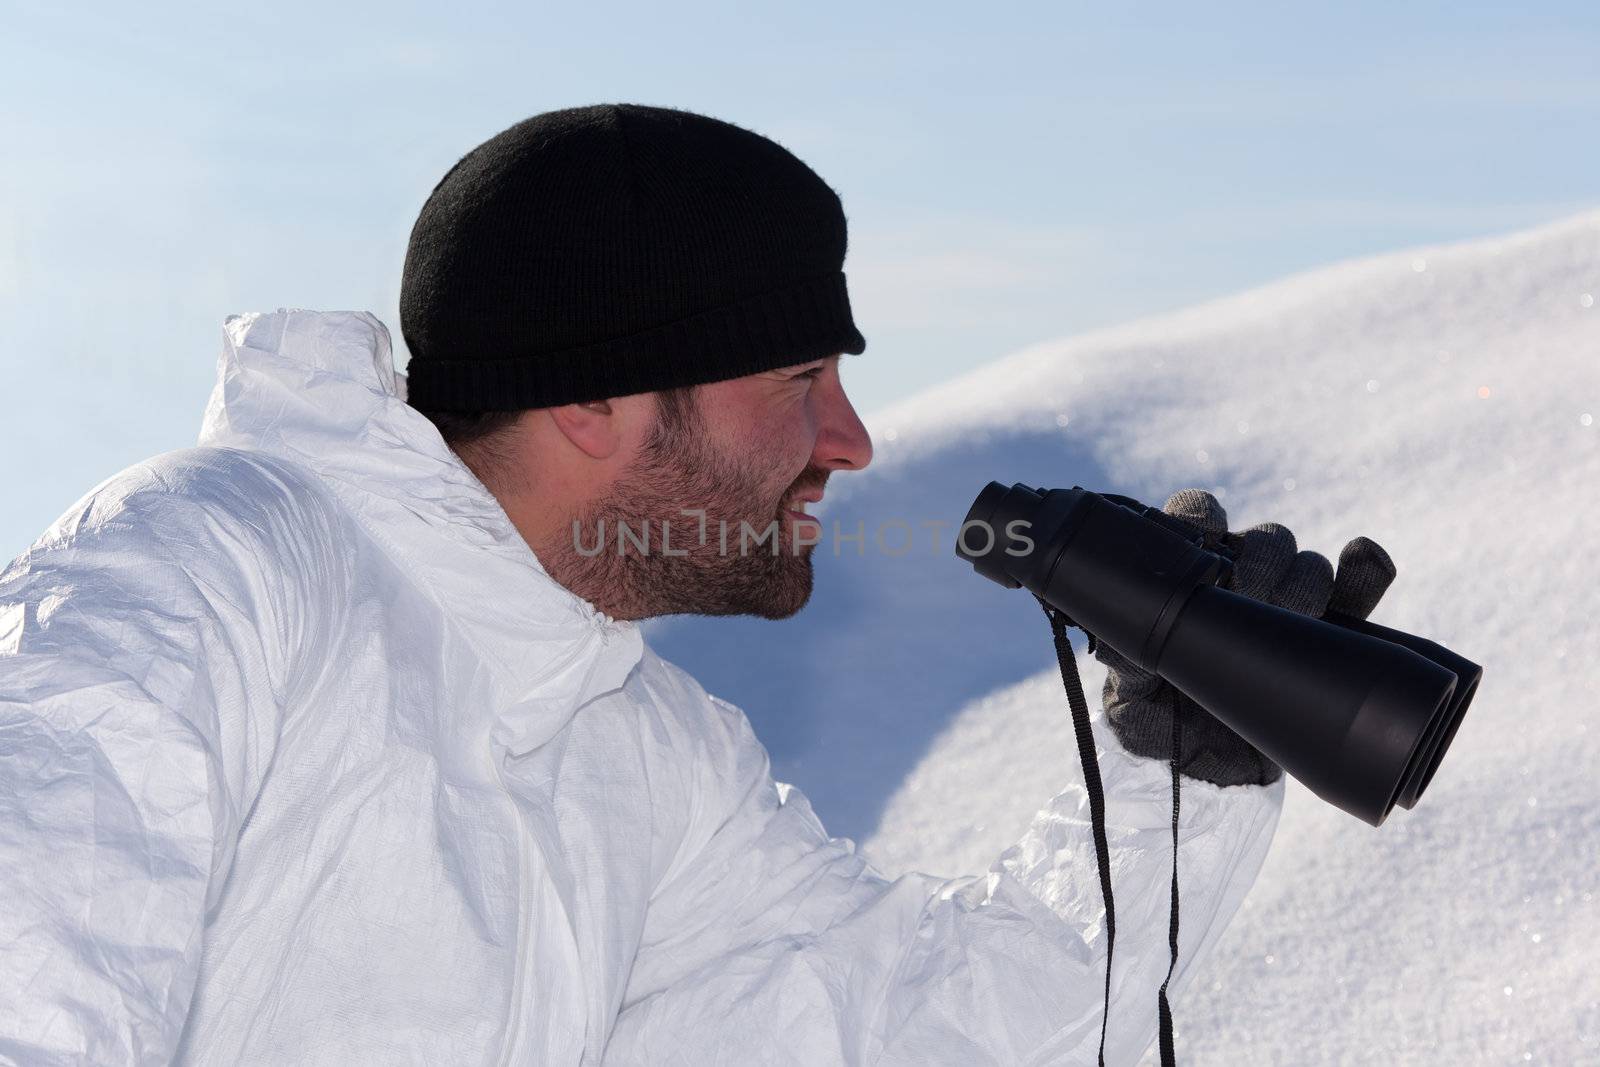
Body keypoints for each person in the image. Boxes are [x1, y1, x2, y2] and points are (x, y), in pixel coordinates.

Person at [0, 103, 1394, 1065]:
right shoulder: (211, 576)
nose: (849, 440)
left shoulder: (644, 755)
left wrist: (1176, 775)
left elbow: (923, 1036)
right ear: (595, 400)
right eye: (800, 379)